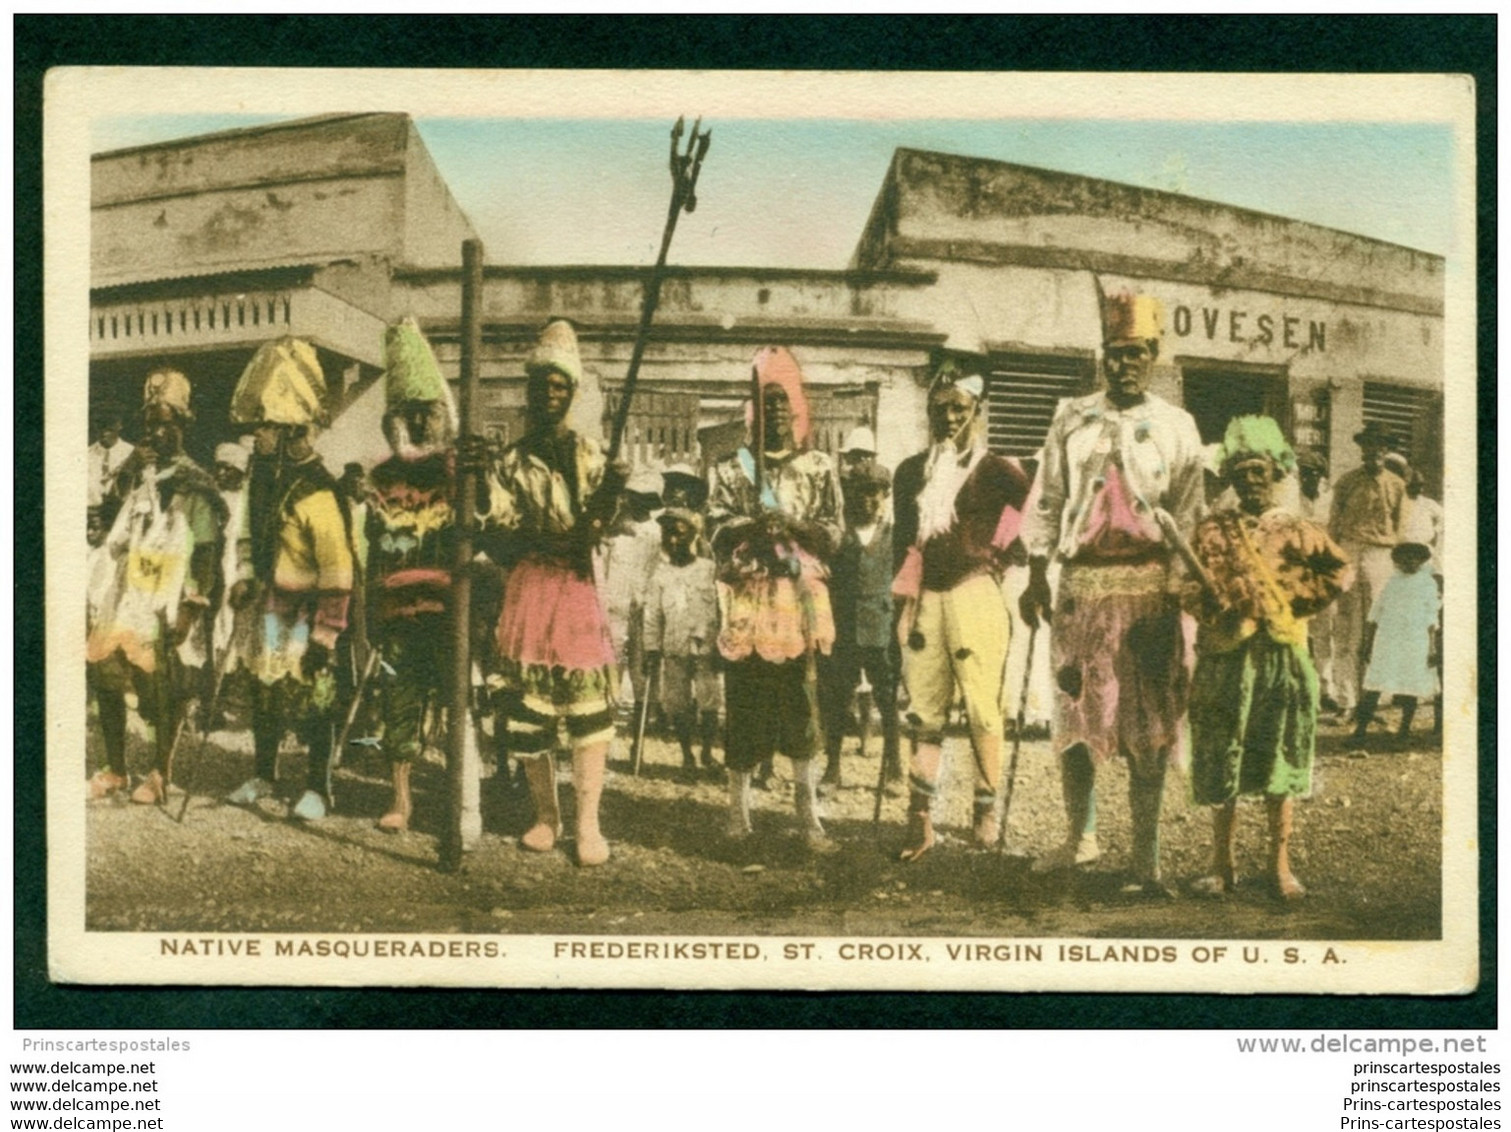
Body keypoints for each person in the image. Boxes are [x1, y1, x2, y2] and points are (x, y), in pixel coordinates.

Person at [1019, 291, 1206, 892]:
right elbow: (1047, 498)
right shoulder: (1071, 416)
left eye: (1135, 353)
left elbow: (1190, 512)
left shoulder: (1178, 426)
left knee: (1147, 724)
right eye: (1113, 354)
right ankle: (1081, 838)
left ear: (1154, 355)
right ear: (1102, 357)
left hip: (1150, 589)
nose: (1122, 364)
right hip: (1081, 588)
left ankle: (1145, 861)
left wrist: (1182, 591)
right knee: (1077, 717)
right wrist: (1035, 575)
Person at [468, 319, 625, 867]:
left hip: (577, 590)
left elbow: (605, 527)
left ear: (571, 394)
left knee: (585, 711)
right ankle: (546, 816)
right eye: (543, 386)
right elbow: (500, 535)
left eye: (561, 387)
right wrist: (550, 535)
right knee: (529, 713)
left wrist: (610, 499)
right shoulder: (510, 462)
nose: (551, 395)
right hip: (531, 590)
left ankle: (587, 824)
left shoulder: (591, 455)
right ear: (530, 391)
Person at [1182, 417, 1353, 900]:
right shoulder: (1212, 531)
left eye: (1260, 471)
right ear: (1230, 477)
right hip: (1227, 659)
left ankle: (1279, 864)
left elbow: (1338, 573)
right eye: (1242, 472)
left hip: (1281, 657)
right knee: (1223, 754)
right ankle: (1222, 864)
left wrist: (1291, 600)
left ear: (1276, 471)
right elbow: (1188, 586)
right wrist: (1210, 604)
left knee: (1279, 754)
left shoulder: (1298, 529)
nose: (1252, 480)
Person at [890, 362, 1031, 857]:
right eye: (940, 409)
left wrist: (998, 551)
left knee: (980, 706)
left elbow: (1026, 510)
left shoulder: (997, 468)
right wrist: (899, 604)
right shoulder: (912, 471)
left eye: (959, 409)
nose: (949, 418)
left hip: (975, 593)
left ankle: (985, 812)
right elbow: (903, 538)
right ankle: (920, 817)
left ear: (976, 410)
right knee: (924, 707)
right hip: (926, 596)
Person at [708, 346, 843, 846]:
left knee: (802, 701)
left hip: (799, 598)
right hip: (748, 595)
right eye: (766, 405)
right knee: (743, 701)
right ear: (754, 413)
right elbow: (714, 528)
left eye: (784, 404)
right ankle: (737, 813)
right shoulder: (732, 468)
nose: (776, 414)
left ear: (796, 411)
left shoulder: (819, 466)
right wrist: (751, 525)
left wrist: (794, 525)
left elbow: (834, 533)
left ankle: (808, 816)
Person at [223, 338, 355, 822]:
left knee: (313, 697)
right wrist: (243, 577)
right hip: (269, 611)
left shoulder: (319, 492)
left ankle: (318, 787)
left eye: (266, 426)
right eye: (259, 425)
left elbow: (338, 572)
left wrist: (325, 633)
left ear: (289, 431)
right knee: (266, 692)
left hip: (305, 616)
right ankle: (264, 773)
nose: (257, 435)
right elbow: (245, 537)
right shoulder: (261, 482)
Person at [85, 370, 226, 804]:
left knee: (159, 686)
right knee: (106, 674)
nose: (159, 433)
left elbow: (204, 553)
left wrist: (190, 609)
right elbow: (112, 526)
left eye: (167, 424)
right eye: (151, 425)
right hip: (127, 594)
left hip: (167, 598)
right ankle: (116, 768)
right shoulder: (138, 475)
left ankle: (159, 771)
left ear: (183, 426)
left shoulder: (196, 483)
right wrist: (129, 472)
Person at [363, 318, 459, 832]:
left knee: (454, 705)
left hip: (448, 613)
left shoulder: (455, 471)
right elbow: (374, 551)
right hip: (398, 614)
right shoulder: (381, 478)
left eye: (427, 414)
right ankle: (401, 801)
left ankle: (456, 797)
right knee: (398, 706)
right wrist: (371, 618)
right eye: (409, 415)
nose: (420, 425)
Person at [821, 459, 902, 793]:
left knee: (887, 699)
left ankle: (894, 768)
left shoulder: (894, 536)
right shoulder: (838, 537)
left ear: (885, 496)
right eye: (860, 493)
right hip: (845, 628)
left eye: (876, 494)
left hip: (882, 629)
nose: (868, 501)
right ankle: (833, 768)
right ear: (849, 495)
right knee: (838, 700)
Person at [1328, 421, 1405, 718]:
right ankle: (1347, 701)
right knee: (1347, 626)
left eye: (1380, 445)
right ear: (1362, 449)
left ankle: (1372, 702)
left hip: (1381, 554)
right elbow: (1334, 523)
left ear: (1386, 450)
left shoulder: (1397, 486)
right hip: (1349, 550)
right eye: (1369, 445)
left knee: (1377, 628)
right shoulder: (1347, 482)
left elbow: (1400, 528)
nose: (1374, 451)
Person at [642, 507, 722, 779]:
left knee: (709, 702)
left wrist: (723, 645)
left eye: (679, 534)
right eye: (667, 535)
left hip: (705, 649)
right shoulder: (659, 575)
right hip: (674, 647)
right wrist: (651, 648)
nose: (673, 541)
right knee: (678, 703)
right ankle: (687, 755)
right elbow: (652, 615)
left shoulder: (710, 570)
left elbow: (723, 610)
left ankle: (707, 752)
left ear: (694, 535)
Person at [601, 468, 663, 757]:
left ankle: (637, 741)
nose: (639, 503)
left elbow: (656, 571)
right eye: (635, 497)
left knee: (640, 674)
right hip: (613, 606)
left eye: (645, 499)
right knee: (611, 669)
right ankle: (606, 733)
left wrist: (648, 602)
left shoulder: (657, 532)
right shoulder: (615, 528)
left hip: (642, 607)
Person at [1352, 541, 1439, 745]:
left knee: (1410, 686)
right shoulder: (1391, 582)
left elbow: (1431, 618)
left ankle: (1404, 730)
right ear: (1397, 561)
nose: (1409, 562)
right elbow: (1375, 613)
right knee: (1374, 685)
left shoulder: (1428, 583)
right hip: (1387, 639)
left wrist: (1432, 647)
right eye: (1404, 558)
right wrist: (1368, 642)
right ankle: (1360, 730)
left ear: (1421, 561)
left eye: (1414, 558)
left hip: (1414, 640)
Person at [1294, 451, 1342, 715]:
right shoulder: (1291, 499)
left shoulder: (1331, 500)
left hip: (1323, 571)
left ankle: (1327, 689)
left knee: (1325, 633)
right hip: (1299, 573)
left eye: (1312, 473)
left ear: (1322, 476)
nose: (1306, 478)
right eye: (1303, 472)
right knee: (1299, 629)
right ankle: (1303, 689)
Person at [87, 412, 134, 510]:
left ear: (119, 426)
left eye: (109, 429)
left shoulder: (130, 452)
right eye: (101, 428)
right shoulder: (87, 454)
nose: (104, 433)